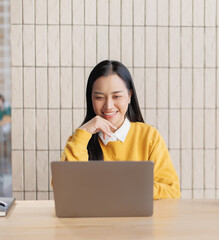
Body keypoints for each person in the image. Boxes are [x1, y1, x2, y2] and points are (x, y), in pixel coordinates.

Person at [60, 60, 181, 199]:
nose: (108, 106)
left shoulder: (149, 137)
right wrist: (83, 132)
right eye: (99, 97)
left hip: (138, 220)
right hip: (93, 221)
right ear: (90, 99)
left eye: (116, 96)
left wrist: (127, 190)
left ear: (130, 96)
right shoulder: (80, 140)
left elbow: (172, 192)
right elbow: (65, 190)